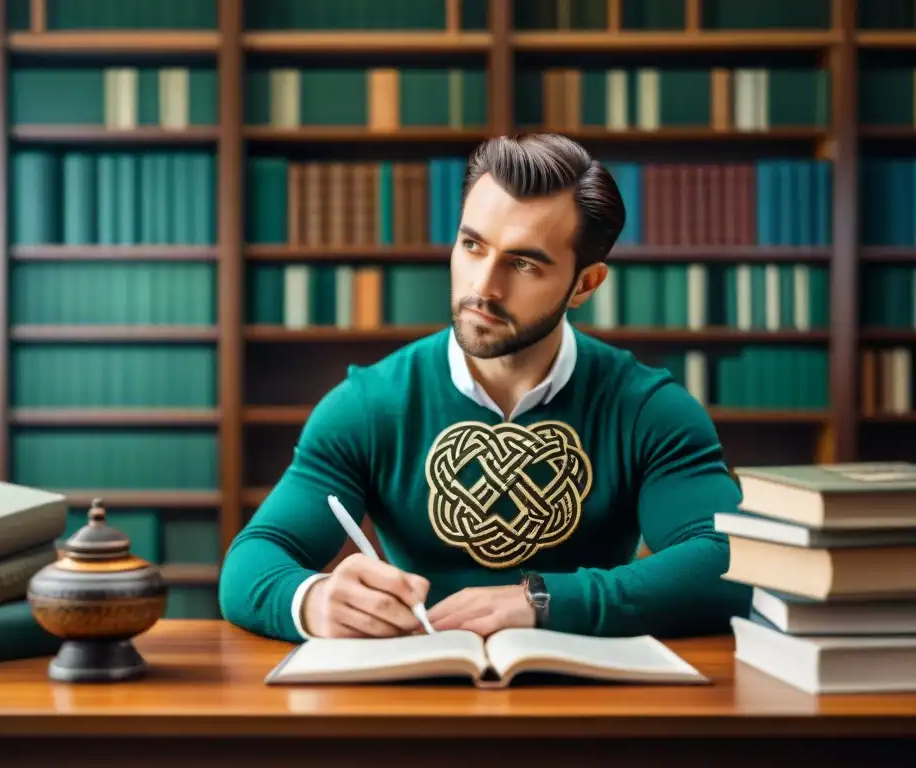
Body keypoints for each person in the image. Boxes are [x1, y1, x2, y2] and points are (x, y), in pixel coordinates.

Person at [219, 133, 752, 642]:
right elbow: (252, 562)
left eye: (522, 263)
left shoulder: (648, 410)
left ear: (585, 284)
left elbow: (734, 560)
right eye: (472, 245)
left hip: (595, 706)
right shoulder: (367, 405)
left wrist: (546, 601)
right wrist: (313, 599)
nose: (482, 287)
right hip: (422, 690)